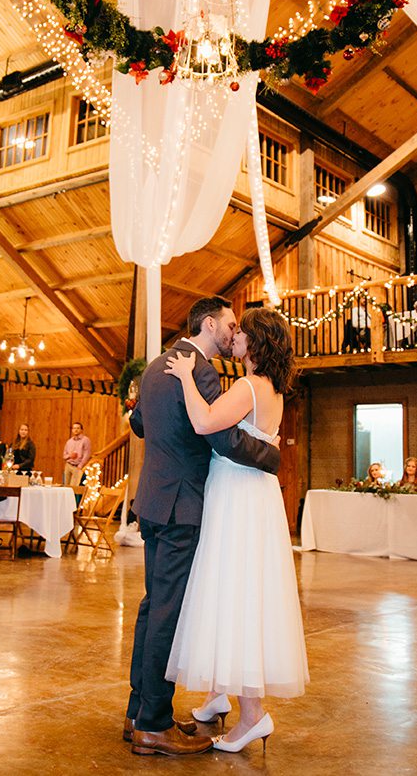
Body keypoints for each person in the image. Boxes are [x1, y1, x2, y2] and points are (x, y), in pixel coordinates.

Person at [124, 296, 281, 758]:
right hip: (181, 507)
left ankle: (138, 710)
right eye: (230, 324)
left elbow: (138, 422)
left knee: (153, 608)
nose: (234, 332)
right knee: (167, 614)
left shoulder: (156, 366)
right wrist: (271, 454)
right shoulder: (201, 370)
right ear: (209, 325)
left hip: (151, 500)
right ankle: (153, 724)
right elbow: (222, 435)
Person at [164, 307, 308, 754]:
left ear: (256, 344)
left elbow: (206, 422)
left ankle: (251, 716)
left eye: (242, 332)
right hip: (254, 493)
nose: (235, 335)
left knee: (235, 592)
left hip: (238, 495)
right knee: (233, 590)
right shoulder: (273, 390)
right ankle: (216, 696)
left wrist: (187, 377)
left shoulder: (249, 386)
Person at [62, 422, 91, 487]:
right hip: (68, 465)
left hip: (77, 466)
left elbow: (87, 454)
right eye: (74, 428)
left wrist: (80, 466)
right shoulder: (69, 441)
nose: (76, 430)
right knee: (65, 487)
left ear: (81, 430)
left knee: (73, 488)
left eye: (78, 428)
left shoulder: (85, 440)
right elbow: (64, 455)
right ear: (72, 430)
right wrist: (69, 456)